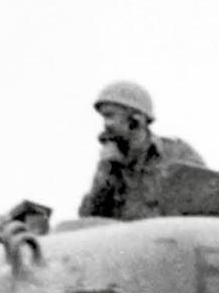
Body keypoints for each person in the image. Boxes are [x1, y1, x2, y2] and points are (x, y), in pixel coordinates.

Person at [77, 80, 205, 220]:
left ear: (135, 120)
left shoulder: (177, 153)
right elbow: (88, 220)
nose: (105, 124)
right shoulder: (110, 165)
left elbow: (210, 200)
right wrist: (105, 171)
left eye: (110, 116)